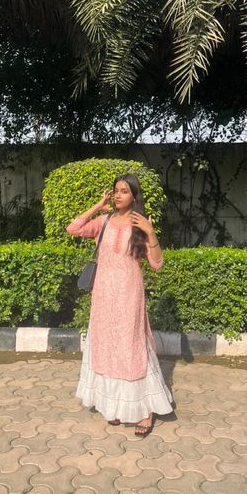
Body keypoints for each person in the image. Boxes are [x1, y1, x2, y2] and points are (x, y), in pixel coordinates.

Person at [67, 173, 173, 436]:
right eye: (116, 191)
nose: (117, 195)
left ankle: (145, 410)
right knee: (108, 347)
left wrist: (150, 233)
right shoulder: (103, 222)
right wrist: (97, 207)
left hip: (129, 293)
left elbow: (157, 264)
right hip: (103, 294)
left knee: (132, 347)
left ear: (134, 196)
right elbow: (74, 228)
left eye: (124, 191)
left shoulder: (140, 224)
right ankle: (115, 406)